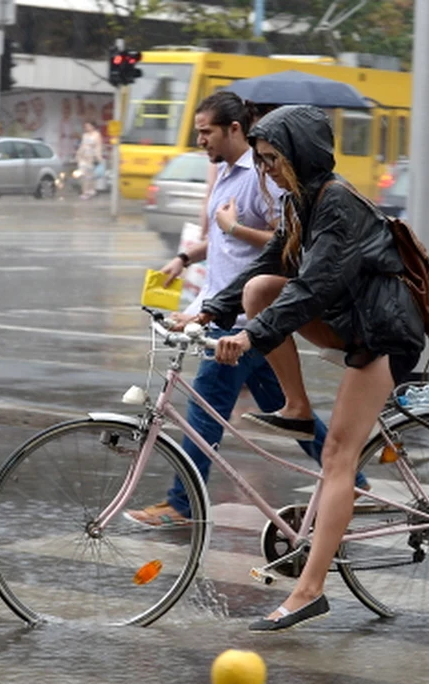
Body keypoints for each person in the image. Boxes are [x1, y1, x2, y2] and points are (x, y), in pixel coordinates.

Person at [182, 105, 425, 631]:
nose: (265, 170)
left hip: (383, 335)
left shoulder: (335, 203)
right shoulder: (301, 202)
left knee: (337, 455)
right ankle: (295, 406)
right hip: (351, 321)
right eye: (262, 160)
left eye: (272, 160)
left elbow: (313, 288)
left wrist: (251, 336)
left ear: (299, 155)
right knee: (258, 288)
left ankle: (309, 591)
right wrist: (208, 311)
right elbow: (270, 266)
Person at [126, 92, 365, 528]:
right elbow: (243, 250)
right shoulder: (237, 177)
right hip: (237, 319)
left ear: (233, 129)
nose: (200, 141)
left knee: (202, 416)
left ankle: (183, 504)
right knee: (294, 413)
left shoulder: (301, 191)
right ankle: (356, 479)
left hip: (252, 324)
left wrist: (245, 325)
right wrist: (194, 283)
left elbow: (290, 263)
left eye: (205, 131)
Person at [76, 121, 103, 199]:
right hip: (83, 156)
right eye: (86, 126)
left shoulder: (97, 135)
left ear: (92, 126)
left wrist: (99, 157)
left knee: (90, 175)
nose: (87, 128)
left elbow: (98, 146)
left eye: (88, 126)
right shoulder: (84, 135)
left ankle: (91, 190)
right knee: (83, 174)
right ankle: (85, 192)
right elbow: (82, 145)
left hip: (91, 157)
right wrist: (78, 154)